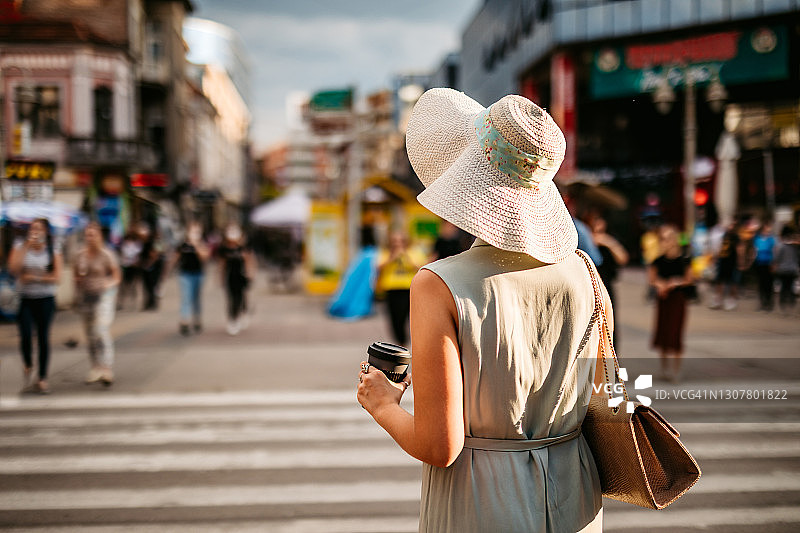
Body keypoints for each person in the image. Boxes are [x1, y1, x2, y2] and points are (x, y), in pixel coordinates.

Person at [357, 89, 606, 532]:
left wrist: (382, 405)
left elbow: (440, 446)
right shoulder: (584, 271)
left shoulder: (439, 284)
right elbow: (605, 395)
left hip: (482, 501)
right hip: (577, 493)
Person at [8, 218, 62, 394]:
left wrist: (34, 277)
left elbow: (57, 277)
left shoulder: (53, 249)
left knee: (42, 337)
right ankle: (28, 363)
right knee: (25, 335)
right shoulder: (20, 246)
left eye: (39, 229)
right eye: (32, 229)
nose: (35, 232)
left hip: (46, 298)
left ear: (46, 231)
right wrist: (26, 246)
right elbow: (13, 269)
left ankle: (42, 378)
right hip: (25, 298)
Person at [74, 221, 122, 386]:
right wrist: (76, 294)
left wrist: (108, 285)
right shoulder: (80, 255)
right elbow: (75, 276)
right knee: (89, 334)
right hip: (86, 297)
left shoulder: (106, 254)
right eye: (88, 235)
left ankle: (107, 368)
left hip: (103, 296)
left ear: (99, 236)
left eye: (93, 235)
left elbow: (116, 276)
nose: (90, 238)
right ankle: (95, 367)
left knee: (100, 330)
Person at [648, 224, 693, 383]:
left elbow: (689, 279)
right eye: (662, 239)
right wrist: (660, 284)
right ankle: (665, 368)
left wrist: (675, 282)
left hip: (677, 298)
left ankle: (676, 370)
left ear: (674, 240)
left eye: (667, 238)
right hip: (664, 298)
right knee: (663, 332)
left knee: (675, 332)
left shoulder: (684, 259)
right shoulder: (658, 260)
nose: (664, 242)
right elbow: (652, 278)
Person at [377, 231, 425, 347]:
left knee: (410, 319)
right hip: (392, 289)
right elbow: (378, 267)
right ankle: (400, 343)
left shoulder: (413, 252)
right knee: (395, 319)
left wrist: (406, 256)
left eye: (400, 241)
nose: (397, 244)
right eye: (394, 241)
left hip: (409, 289)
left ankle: (411, 343)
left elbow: (421, 267)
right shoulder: (386, 253)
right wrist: (392, 257)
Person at [167, 221, 210, 335]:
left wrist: (196, 245)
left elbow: (205, 257)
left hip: (198, 274)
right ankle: (184, 321)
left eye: (197, 232)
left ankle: (197, 319)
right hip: (185, 274)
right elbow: (175, 258)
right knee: (186, 297)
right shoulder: (182, 245)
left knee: (196, 298)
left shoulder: (202, 244)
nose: (195, 234)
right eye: (193, 231)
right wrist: (168, 270)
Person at [217, 223, 255, 335]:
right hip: (230, 276)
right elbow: (222, 264)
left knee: (240, 298)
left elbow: (249, 261)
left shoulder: (243, 248)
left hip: (241, 276)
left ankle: (240, 316)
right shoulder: (224, 249)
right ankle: (232, 320)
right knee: (231, 299)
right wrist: (220, 277)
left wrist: (250, 274)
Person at [710, 219, 740, 310]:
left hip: (732, 262)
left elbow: (739, 249)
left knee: (732, 282)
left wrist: (740, 262)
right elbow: (720, 247)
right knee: (719, 281)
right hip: (722, 261)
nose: (729, 227)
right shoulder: (724, 235)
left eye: (731, 225)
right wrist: (716, 257)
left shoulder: (736, 237)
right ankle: (718, 300)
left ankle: (731, 301)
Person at [137, 223, 163, 311]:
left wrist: (149, 264)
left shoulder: (152, 242)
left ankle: (153, 303)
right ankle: (148, 303)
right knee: (147, 287)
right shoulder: (143, 243)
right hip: (146, 267)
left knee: (152, 286)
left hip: (152, 268)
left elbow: (155, 254)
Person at [773, 225, 798, 314]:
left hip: (783, 270)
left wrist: (775, 265)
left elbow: (777, 258)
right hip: (792, 269)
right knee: (791, 287)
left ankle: (783, 304)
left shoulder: (781, 246)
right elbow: (797, 258)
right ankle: (791, 303)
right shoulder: (795, 247)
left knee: (784, 287)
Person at [752, 221, 776, 311]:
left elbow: (774, 251)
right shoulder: (757, 239)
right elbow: (754, 250)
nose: (768, 231)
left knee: (769, 284)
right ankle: (762, 303)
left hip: (769, 263)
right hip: (759, 263)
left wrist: (774, 263)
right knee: (761, 284)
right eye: (766, 229)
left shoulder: (771, 239)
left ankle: (769, 303)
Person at [117, 228, 142, 310]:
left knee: (133, 286)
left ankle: (133, 303)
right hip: (125, 265)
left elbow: (138, 254)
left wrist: (136, 262)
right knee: (123, 286)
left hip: (133, 267)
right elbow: (121, 253)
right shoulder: (123, 243)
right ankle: (121, 302)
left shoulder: (137, 243)